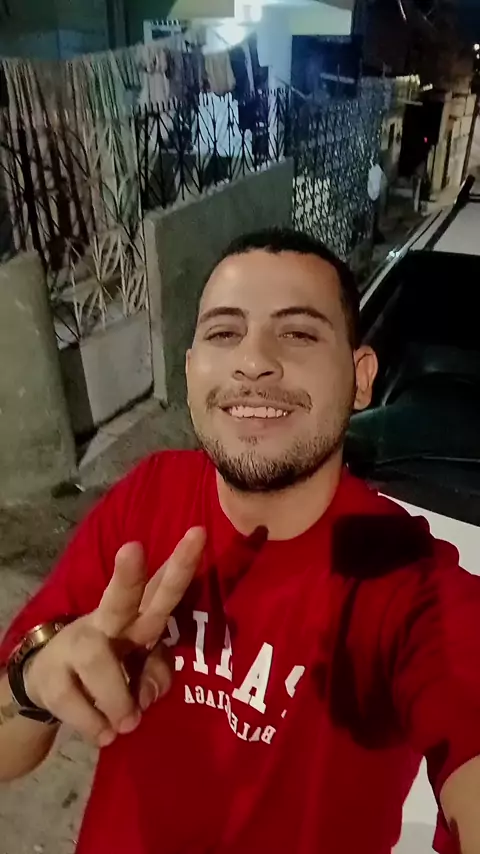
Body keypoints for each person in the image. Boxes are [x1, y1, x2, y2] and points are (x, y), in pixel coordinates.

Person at [1, 229, 480, 854]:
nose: (253, 361)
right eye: (224, 332)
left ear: (361, 378)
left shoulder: (408, 580)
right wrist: (35, 685)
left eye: (299, 333)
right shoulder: (148, 497)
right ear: (190, 370)